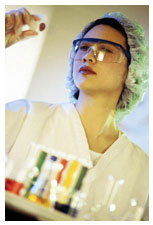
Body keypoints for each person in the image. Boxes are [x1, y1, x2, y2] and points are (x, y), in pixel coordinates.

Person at [5, 8, 149, 221]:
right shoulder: (22, 115)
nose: (88, 56)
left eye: (106, 50)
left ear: (132, 69)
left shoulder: (143, 170)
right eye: (83, 47)